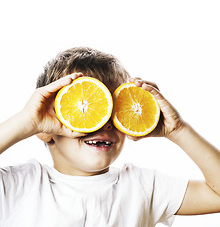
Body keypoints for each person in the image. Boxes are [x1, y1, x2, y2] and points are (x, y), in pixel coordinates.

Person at [0, 47, 219, 227]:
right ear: (45, 128)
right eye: (85, 110)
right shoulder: (17, 185)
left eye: (113, 110)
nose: (105, 122)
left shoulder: (143, 187)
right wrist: (27, 121)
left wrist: (178, 130)